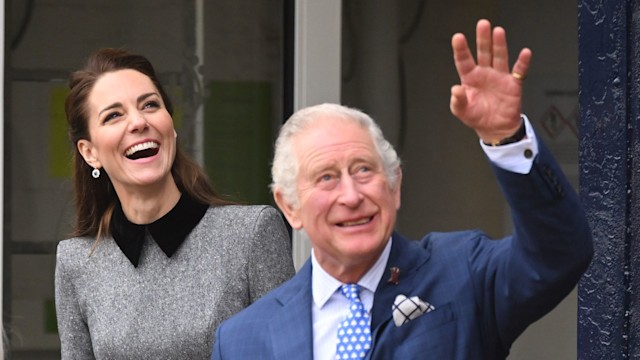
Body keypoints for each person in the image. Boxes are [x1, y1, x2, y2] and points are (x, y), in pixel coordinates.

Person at [211, 19, 594, 359]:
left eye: (363, 170)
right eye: (326, 177)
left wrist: (506, 140)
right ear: (289, 206)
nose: (351, 195)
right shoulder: (244, 339)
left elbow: (558, 254)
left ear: (394, 185)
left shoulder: (463, 273)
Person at [54, 48, 295, 359]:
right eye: (114, 115)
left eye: (150, 105)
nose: (138, 122)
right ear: (89, 152)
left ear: (171, 124)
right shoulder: (76, 262)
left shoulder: (251, 234)